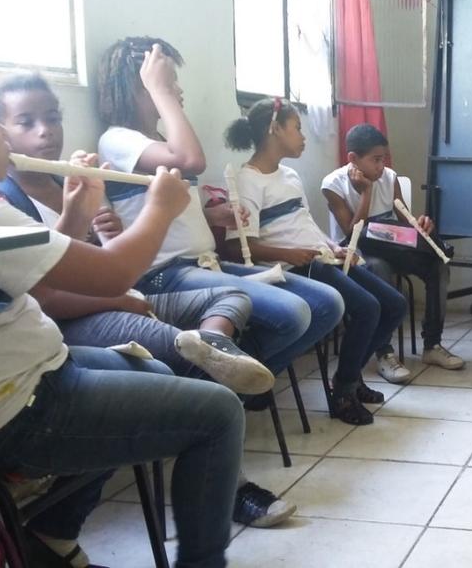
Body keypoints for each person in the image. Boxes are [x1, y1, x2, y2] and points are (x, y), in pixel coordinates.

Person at [0, 70, 244, 568]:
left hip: (40, 372)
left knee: (155, 374)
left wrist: (74, 212)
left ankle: (51, 535)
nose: (4, 133)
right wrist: (160, 208)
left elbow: (39, 279)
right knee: (220, 414)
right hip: (16, 409)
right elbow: (113, 274)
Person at [96, 36, 339, 527]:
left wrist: (212, 211)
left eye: (174, 85)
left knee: (326, 304)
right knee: (290, 312)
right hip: (167, 276)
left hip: (205, 265)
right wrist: (161, 92)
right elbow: (190, 161)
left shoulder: (152, 146)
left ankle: (223, 385)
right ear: (138, 85)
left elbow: (175, 191)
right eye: (169, 83)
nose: (178, 91)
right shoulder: (116, 138)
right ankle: (224, 444)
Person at [0, 71, 273, 394]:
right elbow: (46, 296)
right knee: (184, 361)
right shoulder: (4, 199)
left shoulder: (65, 179)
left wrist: (105, 235)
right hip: (76, 316)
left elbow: (92, 257)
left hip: (112, 294)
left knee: (232, 297)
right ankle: (203, 384)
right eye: (26, 123)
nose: (46, 132)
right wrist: (120, 298)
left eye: (52, 119)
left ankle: (211, 348)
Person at [224, 98, 407, 425]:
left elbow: (305, 224)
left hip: (319, 257)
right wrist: (289, 255)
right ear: (275, 129)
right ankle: (343, 393)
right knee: (367, 308)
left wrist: (332, 245)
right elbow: (240, 248)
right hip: (293, 267)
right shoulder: (247, 180)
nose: (303, 136)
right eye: (296, 128)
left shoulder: (290, 175)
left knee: (393, 304)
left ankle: (350, 376)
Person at [322, 123, 465, 380]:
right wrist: (366, 193)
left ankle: (432, 344)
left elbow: (405, 221)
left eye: (383, 159)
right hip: (355, 250)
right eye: (375, 160)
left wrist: (421, 224)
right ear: (353, 159)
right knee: (379, 268)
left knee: (437, 266)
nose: (381, 166)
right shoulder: (332, 184)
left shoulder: (389, 177)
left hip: (390, 244)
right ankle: (384, 352)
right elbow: (351, 232)